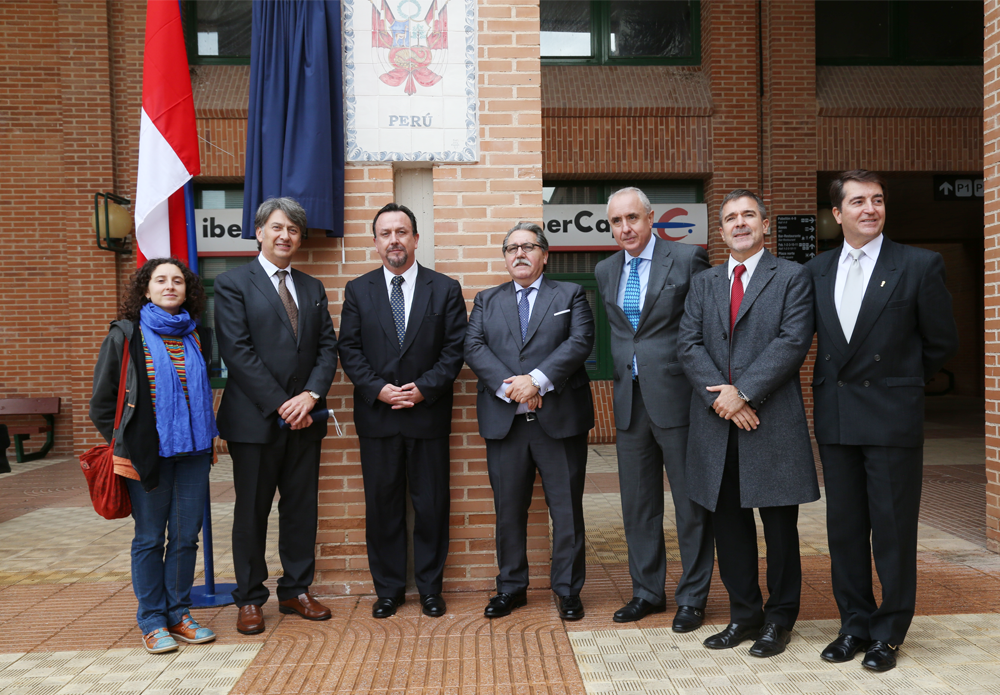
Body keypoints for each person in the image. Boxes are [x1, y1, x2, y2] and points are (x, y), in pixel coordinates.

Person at [807, 171, 959, 672]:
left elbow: (941, 342)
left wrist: (899, 382)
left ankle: (888, 633)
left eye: (876, 200)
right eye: (857, 202)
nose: (869, 209)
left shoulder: (918, 264)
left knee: (893, 533)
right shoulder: (817, 270)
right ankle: (854, 625)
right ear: (838, 214)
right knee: (845, 531)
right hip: (837, 417)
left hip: (891, 418)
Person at [678, 189, 818, 657]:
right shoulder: (704, 283)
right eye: (731, 218)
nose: (740, 223)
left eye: (749, 215)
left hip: (770, 421)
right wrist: (724, 399)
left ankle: (779, 620)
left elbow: (792, 341)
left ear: (765, 225)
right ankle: (744, 615)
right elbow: (688, 345)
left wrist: (743, 393)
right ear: (721, 232)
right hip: (718, 424)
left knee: (779, 530)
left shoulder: (793, 276)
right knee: (730, 528)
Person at [214, 197, 339, 635]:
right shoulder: (232, 283)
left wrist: (310, 396)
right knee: (252, 512)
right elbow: (237, 352)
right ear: (260, 232)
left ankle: (295, 591)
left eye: (294, 230)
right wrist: (283, 404)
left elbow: (327, 348)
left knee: (301, 510)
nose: (285, 236)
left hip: (306, 419)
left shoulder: (312, 287)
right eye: (278, 227)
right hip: (255, 422)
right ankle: (250, 598)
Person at [338, 203, 467, 619]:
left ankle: (430, 589)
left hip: (427, 416)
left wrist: (424, 389)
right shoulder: (358, 290)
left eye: (401, 232)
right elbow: (349, 349)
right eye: (386, 233)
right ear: (376, 242)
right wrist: (378, 390)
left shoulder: (444, 288)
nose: (394, 240)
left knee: (432, 507)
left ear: (415, 238)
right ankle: (389, 591)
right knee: (382, 509)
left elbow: (455, 350)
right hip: (378, 418)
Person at [593, 187, 714, 628]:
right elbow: (623, 333)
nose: (625, 228)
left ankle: (692, 598)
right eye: (616, 221)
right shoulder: (605, 270)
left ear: (650, 218)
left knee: (690, 506)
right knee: (638, 505)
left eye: (632, 218)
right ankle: (647, 592)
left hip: (678, 399)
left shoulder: (686, 259)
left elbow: (707, 324)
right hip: (629, 401)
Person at [465, 223, 595, 620]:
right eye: (512, 248)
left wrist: (536, 381)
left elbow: (580, 342)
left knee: (566, 510)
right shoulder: (487, 300)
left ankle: (568, 590)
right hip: (506, 424)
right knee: (508, 510)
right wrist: (515, 389)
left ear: (545, 254)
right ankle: (511, 587)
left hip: (560, 422)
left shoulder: (570, 294)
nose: (519, 253)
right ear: (505, 257)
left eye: (528, 246)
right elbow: (473, 346)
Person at [90, 258, 219, 654]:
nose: (169, 286)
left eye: (177, 280)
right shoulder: (126, 334)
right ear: (146, 290)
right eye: (160, 280)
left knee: (186, 536)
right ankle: (151, 619)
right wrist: (129, 443)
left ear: (188, 290)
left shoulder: (198, 335)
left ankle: (179, 613)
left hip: (194, 451)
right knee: (149, 538)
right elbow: (102, 402)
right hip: (149, 455)